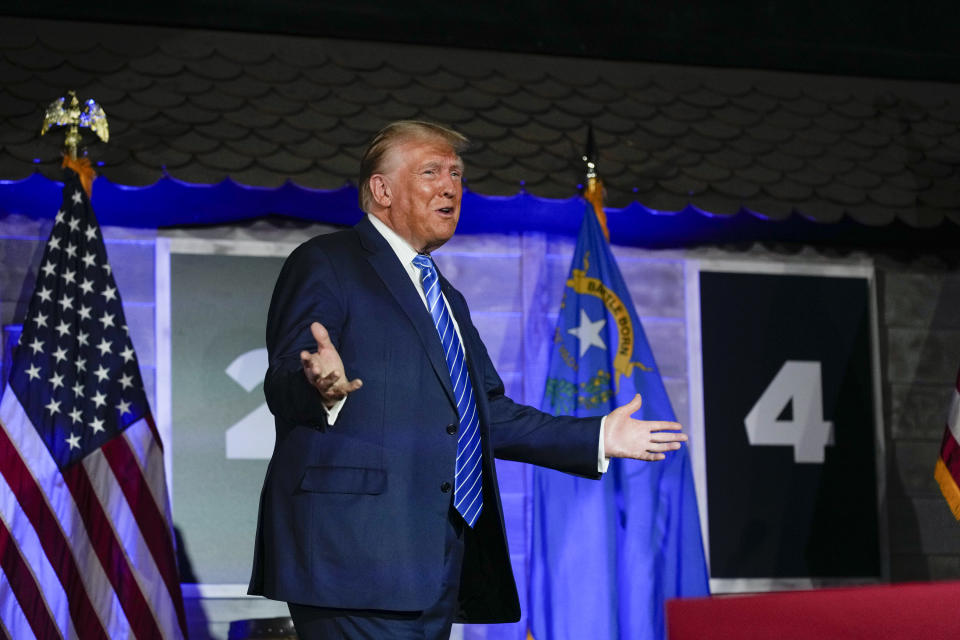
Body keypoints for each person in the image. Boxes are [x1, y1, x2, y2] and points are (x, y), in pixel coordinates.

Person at [248, 120, 687, 639]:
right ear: (381, 190)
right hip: (351, 559)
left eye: (456, 173)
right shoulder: (327, 261)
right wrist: (317, 386)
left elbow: (488, 414)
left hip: (434, 566)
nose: (450, 186)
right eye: (431, 171)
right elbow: (283, 378)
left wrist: (595, 436)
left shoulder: (446, 297)